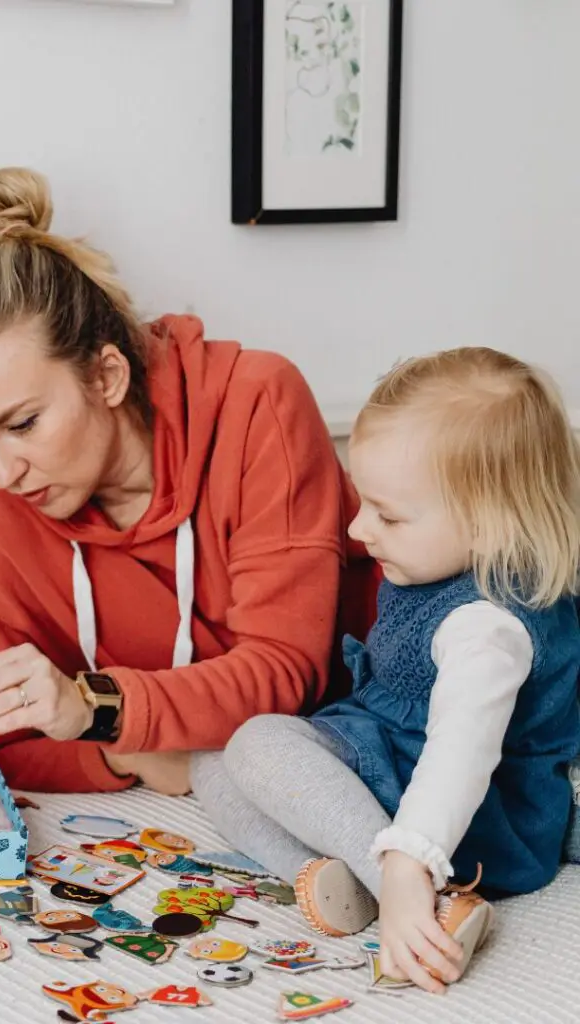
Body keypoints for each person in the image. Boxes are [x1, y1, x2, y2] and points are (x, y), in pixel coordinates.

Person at [0, 166, 377, 795]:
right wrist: (120, 758)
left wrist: (97, 707)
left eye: (22, 423)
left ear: (106, 377)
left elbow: (284, 671)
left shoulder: (257, 405)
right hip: (238, 792)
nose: (2, 472)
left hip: (375, 738)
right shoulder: (4, 524)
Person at [191, 347, 580, 994]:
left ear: (489, 528)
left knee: (257, 744)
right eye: (362, 503)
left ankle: (410, 890)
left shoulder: (485, 628)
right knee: (211, 761)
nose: (357, 527)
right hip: (389, 757)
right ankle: (362, 880)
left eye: (387, 515)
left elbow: (461, 751)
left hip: (467, 814)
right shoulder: (443, 562)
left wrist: (409, 861)